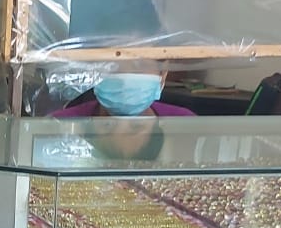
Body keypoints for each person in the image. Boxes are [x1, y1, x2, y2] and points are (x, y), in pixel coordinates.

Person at [49, 68, 193, 160]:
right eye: (136, 126)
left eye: (108, 125)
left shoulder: (59, 125)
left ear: (162, 74)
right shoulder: (186, 124)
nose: (123, 119)